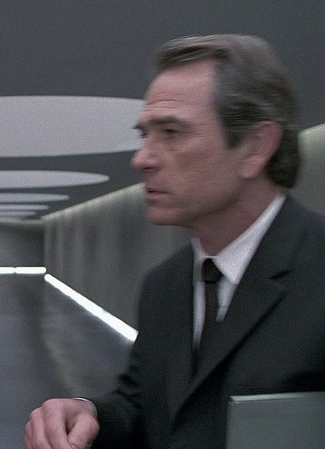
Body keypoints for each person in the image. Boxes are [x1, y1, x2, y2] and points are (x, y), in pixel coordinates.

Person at [25, 34, 325, 449]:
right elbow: (145, 409)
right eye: (145, 135)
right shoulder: (164, 286)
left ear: (255, 147)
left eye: (171, 133)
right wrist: (89, 414)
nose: (142, 159)